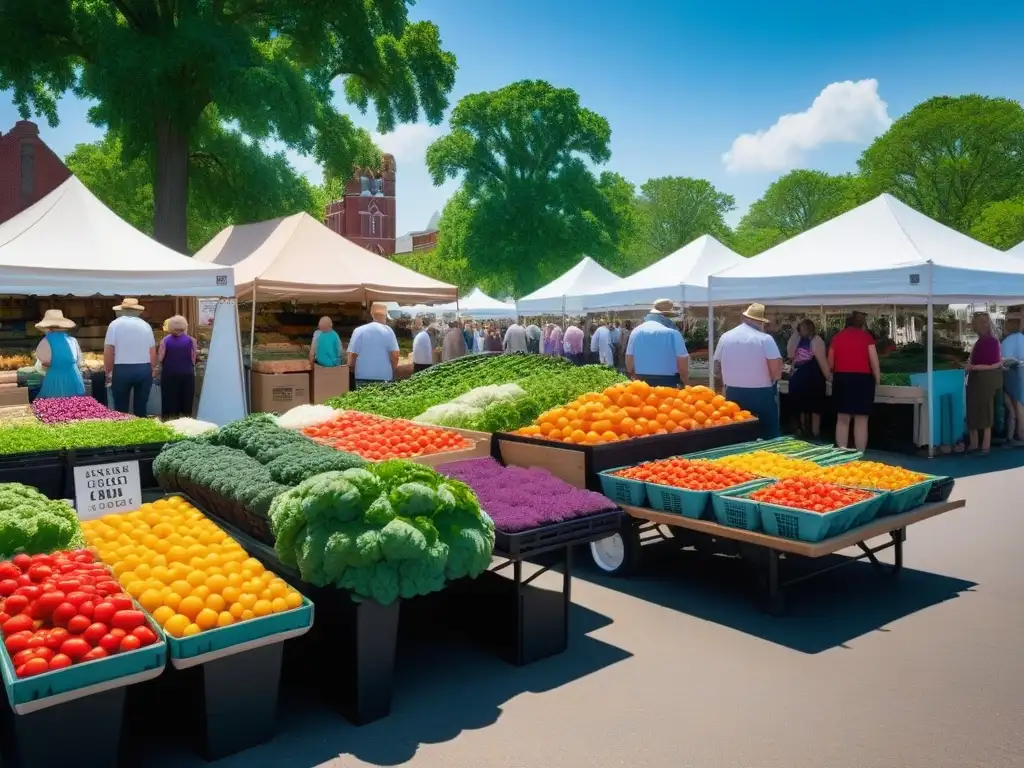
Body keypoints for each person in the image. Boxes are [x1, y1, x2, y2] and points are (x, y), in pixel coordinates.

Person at [713, 303, 782, 438]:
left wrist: (723, 384)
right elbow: (776, 369)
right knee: (769, 433)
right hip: (761, 393)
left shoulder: (726, 337)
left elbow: (717, 365)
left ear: (745, 318)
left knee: (737, 434)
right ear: (760, 322)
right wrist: (773, 380)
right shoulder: (765, 339)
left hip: (733, 391)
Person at [828, 312, 880, 452]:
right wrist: (878, 379)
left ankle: (841, 452)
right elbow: (874, 362)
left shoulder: (837, 338)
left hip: (842, 379)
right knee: (861, 420)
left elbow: (830, 363)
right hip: (863, 381)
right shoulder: (867, 337)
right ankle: (860, 453)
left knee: (842, 419)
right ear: (861, 324)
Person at [104, 298, 157, 417]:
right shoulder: (146, 326)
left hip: (121, 368)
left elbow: (109, 350)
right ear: (138, 311)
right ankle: (141, 431)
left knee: (121, 408)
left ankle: (123, 431)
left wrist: (108, 371)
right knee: (141, 407)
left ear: (121, 310)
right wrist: (153, 368)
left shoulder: (114, 325)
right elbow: (152, 350)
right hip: (144, 368)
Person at [965, 312, 1003, 454]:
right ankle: (975, 443)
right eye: (980, 323)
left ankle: (985, 445)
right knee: (973, 410)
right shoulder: (979, 342)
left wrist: (974, 367)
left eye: (984, 322)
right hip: (976, 379)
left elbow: (995, 364)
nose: (983, 325)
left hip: (986, 380)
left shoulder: (992, 342)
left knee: (986, 411)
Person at [625, 302, 689, 386]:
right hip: (669, 382)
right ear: (665, 317)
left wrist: (634, 377)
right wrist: (685, 381)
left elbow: (629, 360)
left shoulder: (636, 332)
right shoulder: (673, 333)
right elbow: (683, 364)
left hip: (642, 382)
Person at [786, 319, 829, 438]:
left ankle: (801, 430)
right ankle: (815, 434)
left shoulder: (794, 339)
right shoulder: (816, 340)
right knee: (815, 408)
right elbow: (822, 361)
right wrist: (829, 377)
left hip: (797, 377)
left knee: (800, 407)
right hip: (812, 378)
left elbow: (790, 355)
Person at [34, 310, 85, 399]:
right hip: (74, 379)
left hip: (55, 381)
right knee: (74, 408)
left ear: (48, 327)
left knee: (55, 408)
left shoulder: (45, 342)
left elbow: (43, 367)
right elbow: (79, 361)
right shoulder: (72, 341)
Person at [348, 303, 400, 387]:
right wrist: (392, 370)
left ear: (372, 315)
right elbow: (395, 356)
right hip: (384, 376)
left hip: (362, 376)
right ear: (385, 316)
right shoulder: (388, 331)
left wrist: (352, 370)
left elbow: (352, 356)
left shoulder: (359, 330)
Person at [157, 315, 197, 419]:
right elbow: (193, 358)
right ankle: (186, 419)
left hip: (169, 373)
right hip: (187, 373)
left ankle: (169, 419)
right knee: (186, 398)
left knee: (169, 397)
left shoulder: (165, 341)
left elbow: (160, 358)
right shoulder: (191, 340)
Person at [1001, 318, 1024, 445]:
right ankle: (1015, 434)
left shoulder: (1007, 341)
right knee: (1019, 404)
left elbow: (1005, 360)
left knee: (1014, 405)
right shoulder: (1022, 338)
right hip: (1021, 373)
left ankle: (1020, 433)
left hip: (1013, 375)